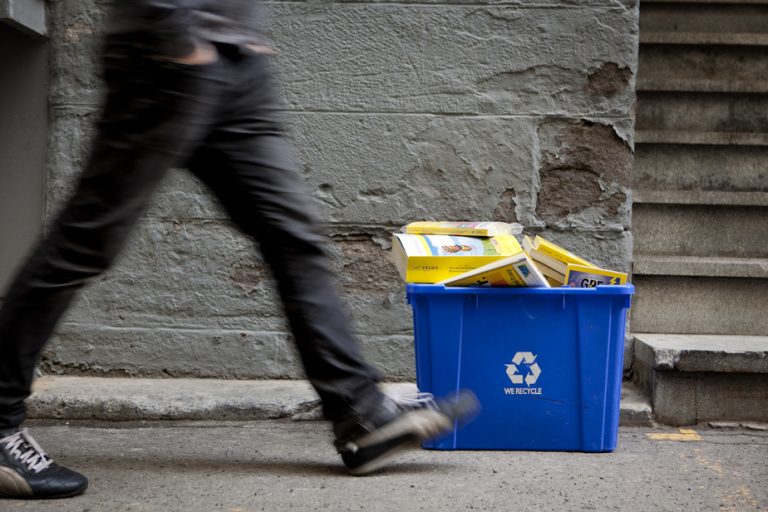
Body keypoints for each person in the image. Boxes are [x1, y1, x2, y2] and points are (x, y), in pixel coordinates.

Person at [0, 1, 478, 499]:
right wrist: (172, 31)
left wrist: (242, 39)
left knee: (294, 238)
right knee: (86, 242)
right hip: (167, 55)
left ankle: (361, 413)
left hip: (235, 60)